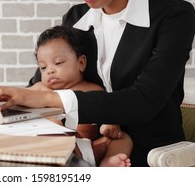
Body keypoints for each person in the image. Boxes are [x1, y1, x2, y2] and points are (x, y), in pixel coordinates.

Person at [0, 0, 195, 166]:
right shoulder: (76, 17)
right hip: (82, 150)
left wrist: (42, 97)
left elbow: (144, 102)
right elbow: (44, 83)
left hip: (151, 158)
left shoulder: (173, 16)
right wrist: (5, 97)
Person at [32, 25, 132, 167]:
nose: (50, 71)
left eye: (58, 63)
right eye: (43, 67)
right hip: (58, 149)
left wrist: (111, 125)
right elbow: (22, 102)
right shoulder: (40, 89)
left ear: (81, 63)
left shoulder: (92, 90)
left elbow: (108, 110)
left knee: (124, 139)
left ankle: (109, 162)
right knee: (52, 125)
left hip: (89, 149)